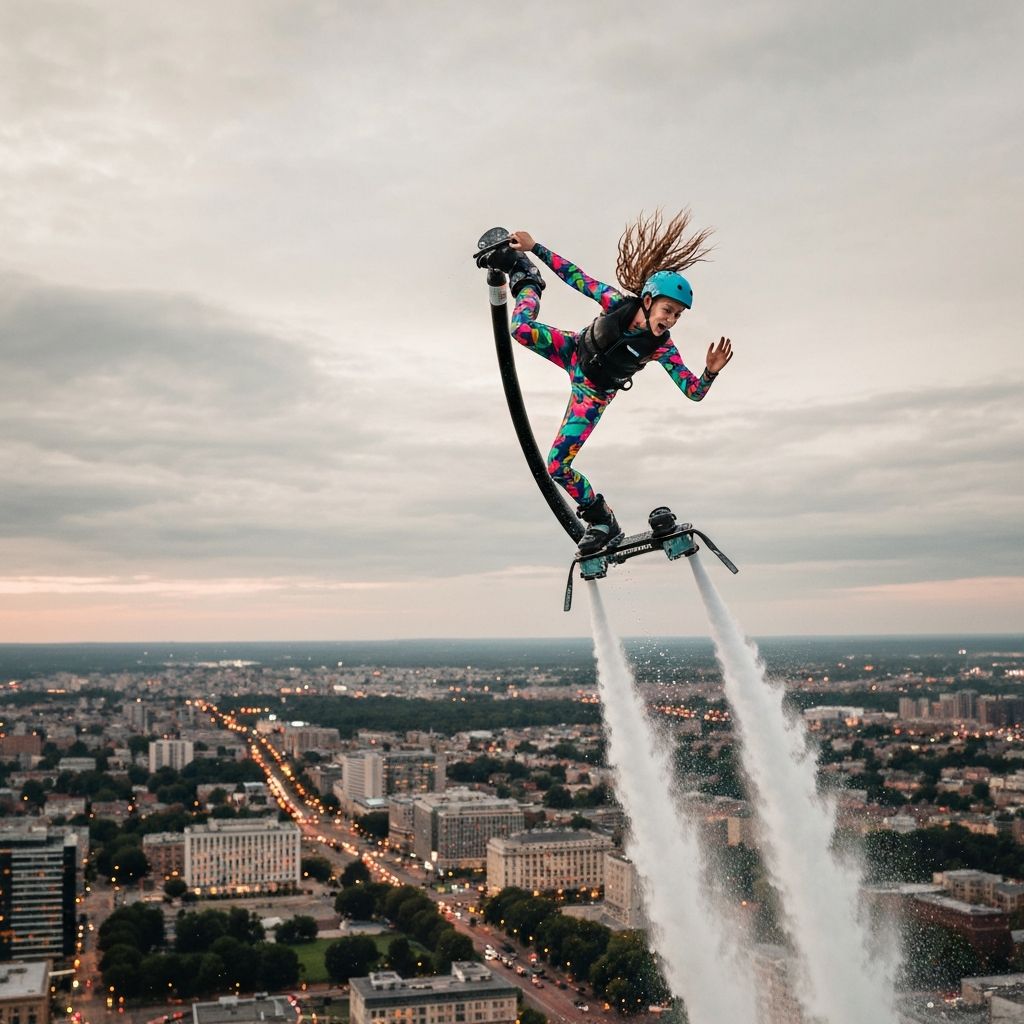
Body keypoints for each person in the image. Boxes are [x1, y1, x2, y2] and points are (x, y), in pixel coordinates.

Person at [476, 210, 734, 555]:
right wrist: (536, 248)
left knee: (557, 466)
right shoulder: (616, 303)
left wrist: (710, 371)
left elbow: (694, 392)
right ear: (648, 300)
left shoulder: (663, 348)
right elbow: (575, 277)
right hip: (572, 349)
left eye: (677, 315)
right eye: (667, 310)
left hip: (592, 393)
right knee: (520, 329)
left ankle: (601, 520)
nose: (670, 320)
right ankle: (527, 280)